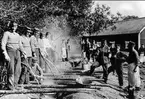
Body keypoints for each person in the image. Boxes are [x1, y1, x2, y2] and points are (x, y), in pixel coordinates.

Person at [1, 21, 26, 90]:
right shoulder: (6, 33)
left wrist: (24, 52)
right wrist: (5, 54)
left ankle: (15, 85)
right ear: (10, 26)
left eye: (15, 26)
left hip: (17, 53)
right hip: (10, 52)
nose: (13, 28)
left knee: (18, 70)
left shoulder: (17, 35)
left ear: (16, 27)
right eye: (12, 26)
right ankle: (10, 87)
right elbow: (3, 44)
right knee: (11, 70)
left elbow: (20, 45)